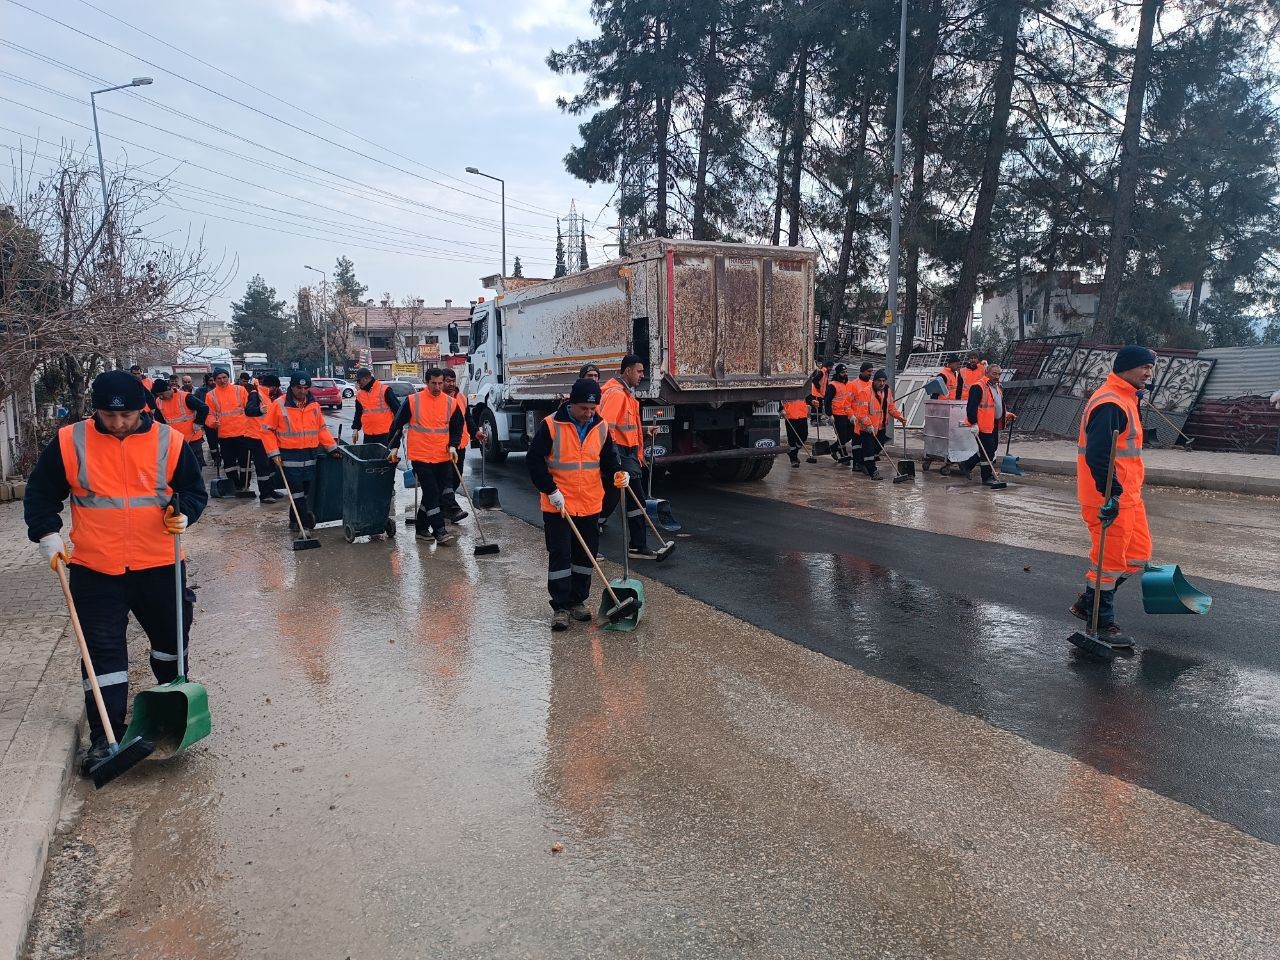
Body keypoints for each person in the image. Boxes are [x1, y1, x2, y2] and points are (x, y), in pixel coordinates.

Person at [22, 370, 207, 774]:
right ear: (96, 411)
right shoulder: (71, 441)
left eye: (127, 416)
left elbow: (195, 490)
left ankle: (169, 720)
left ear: (144, 409)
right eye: (109, 416)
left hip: (159, 563)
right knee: (102, 656)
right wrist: (46, 535)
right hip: (95, 567)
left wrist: (185, 513)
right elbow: (40, 493)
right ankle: (106, 738)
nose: (119, 423)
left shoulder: (168, 441)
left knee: (170, 645)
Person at [1069, 345, 1158, 648]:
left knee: (1138, 556)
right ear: (1125, 367)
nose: (1149, 373)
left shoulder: (1126, 398)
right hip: (1107, 497)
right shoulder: (1110, 403)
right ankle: (1101, 621)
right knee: (1108, 563)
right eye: (1144, 367)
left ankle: (1088, 602)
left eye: (1151, 368)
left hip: (1129, 496)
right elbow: (1097, 455)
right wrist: (1113, 494)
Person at [527, 377, 623, 630]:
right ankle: (560, 606)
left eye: (593, 409)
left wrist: (617, 474)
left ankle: (578, 601)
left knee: (585, 556)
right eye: (584, 409)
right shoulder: (551, 426)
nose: (589, 414)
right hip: (559, 504)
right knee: (560, 554)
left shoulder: (600, 427)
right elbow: (534, 461)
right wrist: (550, 490)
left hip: (590, 502)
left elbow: (609, 459)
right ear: (571, 403)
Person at [387, 367, 465, 544]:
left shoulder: (450, 403)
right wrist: (393, 447)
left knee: (433, 495)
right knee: (432, 491)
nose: (438, 387)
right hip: (421, 455)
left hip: (442, 455)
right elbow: (397, 425)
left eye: (440, 383)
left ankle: (422, 528)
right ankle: (439, 530)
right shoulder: (413, 401)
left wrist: (453, 446)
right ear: (426, 382)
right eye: (434, 383)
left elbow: (457, 427)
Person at [599, 355, 659, 559]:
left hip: (627, 452)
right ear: (627, 371)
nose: (642, 375)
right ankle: (638, 545)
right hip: (621, 453)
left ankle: (596, 521)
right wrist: (613, 456)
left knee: (612, 493)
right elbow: (607, 428)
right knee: (637, 500)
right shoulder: (617, 395)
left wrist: (644, 430)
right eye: (639, 371)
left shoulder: (626, 394)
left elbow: (626, 427)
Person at [263, 374, 340, 531]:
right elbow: (266, 431)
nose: (302, 391)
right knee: (296, 490)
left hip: (309, 454)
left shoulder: (314, 405)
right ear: (292, 387)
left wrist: (332, 448)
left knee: (304, 491)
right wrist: (273, 453)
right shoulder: (279, 405)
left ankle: (294, 521)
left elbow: (321, 429)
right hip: (288, 455)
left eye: (306, 388)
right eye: (299, 387)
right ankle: (304, 522)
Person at [959, 363, 1014, 485]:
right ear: (987, 373)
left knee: (992, 448)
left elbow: (996, 405)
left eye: (999, 374)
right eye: (994, 373)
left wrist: (1005, 414)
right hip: (982, 425)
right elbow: (971, 407)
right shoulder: (978, 387)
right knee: (988, 451)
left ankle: (966, 464)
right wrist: (973, 423)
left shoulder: (997, 387)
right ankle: (987, 477)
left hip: (993, 423)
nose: (997, 376)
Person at [442, 368, 485, 517]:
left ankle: (444, 506)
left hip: (460, 445)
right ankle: (452, 509)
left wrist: (475, 432)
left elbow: (468, 418)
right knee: (446, 479)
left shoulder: (461, 397)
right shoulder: (439, 399)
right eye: (448, 381)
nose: (451, 384)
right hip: (444, 447)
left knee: (456, 478)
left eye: (453, 381)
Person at [856, 369, 907, 481]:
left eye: (884, 381)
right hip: (867, 428)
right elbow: (861, 413)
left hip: (880, 427)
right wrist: (868, 424)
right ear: (874, 381)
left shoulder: (887, 392)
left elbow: (891, 408)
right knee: (868, 451)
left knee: (878, 448)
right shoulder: (865, 392)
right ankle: (873, 472)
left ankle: (863, 462)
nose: (882, 383)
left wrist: (899, 417)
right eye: (879, 380)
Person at [152, 377, 210, 468]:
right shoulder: (159, 401)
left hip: (192, 438)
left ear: (169, 389)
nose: (161, 397)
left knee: (195, 465)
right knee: (181, 466)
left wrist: (198, 423)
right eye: (158, 395)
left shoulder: (185, 397)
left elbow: (204, 408)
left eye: (162, 394)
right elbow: (159, 420)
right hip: (174, 440)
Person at [244, 374, 284, 502]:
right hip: (256, 437)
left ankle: (271, 490)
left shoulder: (267, 396)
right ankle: (265, 495)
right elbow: (248, 411)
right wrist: (260, 410)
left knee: (271, 466)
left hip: (266, 437)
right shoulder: (256, 394)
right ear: (273, 386)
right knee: (263, 467)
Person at [350, 368, 401, 447]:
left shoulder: (384, 390)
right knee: (369, 458)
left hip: (385, 434)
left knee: (384, 458)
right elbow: (358, 413)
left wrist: (398, 428)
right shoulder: (360, 394)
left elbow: (398, 410)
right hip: (368, 435)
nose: (358, 383)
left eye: (359, 381)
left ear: (366, 379)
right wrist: (355, 429)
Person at [847, 362, 876, 474]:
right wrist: (851, 415)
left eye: (871, 372)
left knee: (867, 444)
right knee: (857, 444)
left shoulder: (872, 385)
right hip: (856, 419)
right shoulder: (853, 384)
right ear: (862, 371)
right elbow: (846, 403)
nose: (870, 374)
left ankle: (862, 463)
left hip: (867, 420)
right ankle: (857, 464)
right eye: (868, 371)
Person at [825, 364, 855, 465]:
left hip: (848, 413)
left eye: (846, 372)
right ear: (838, 374)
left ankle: (833, 448)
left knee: (850, 433)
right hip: (837, 414)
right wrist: (830, 415)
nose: (845, 374)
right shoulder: (832, 385)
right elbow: (827, 401)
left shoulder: (849, 384)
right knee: (841, 435)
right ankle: (843, 454)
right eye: (843, 372)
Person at [783, 396, 811, 467]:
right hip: (790, 416)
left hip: (802, 415)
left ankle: (793, 452)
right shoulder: (787, 389)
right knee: (792, 438)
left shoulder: (802, 388)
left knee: (804, 436)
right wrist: (781, 409)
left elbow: (808, 397)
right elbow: (779, 399)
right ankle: (793, 459)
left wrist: (812, 401)